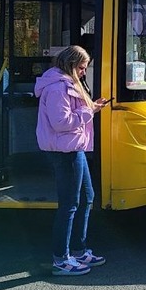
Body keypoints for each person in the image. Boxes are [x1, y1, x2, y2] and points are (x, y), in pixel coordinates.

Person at [35, 45, 109, 276]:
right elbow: (61, 122)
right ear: (70, 65)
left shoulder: (66, 84)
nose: (84, 72)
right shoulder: (58, 88)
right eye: (81, 67)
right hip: (65, 151)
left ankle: (78, 250)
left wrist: (92, 106)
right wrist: (91, 112)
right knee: (69, 205)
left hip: (73, 148)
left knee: (87, 197)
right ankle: (61, 259)